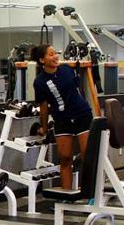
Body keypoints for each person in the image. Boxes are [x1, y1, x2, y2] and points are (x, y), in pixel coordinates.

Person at [30, 44, 93, 191]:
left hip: (81, 115)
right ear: (42, 60)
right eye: (51, 54)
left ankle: (90, 194)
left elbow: (78, 91)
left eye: (55, 53)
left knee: (88, 156)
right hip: (62, 120)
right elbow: (44, 107)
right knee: (65, 159)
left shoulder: (67, 70)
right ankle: (66, 196)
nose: (55, 57)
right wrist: (44, 128)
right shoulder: (39, 82)